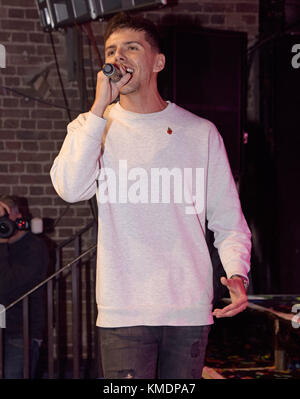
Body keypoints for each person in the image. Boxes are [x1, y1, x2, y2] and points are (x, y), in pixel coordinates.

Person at [50, 12, 251, 379]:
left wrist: (238, 272)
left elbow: (228, 219)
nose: (118, 57)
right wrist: (98, 110)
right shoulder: (92, 127)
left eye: (131, 47)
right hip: (125, 310)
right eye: (111, 50)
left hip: (187, 308)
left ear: (157, 62)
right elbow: (70, 188)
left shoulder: (200, 133)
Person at [0, 195, 49, 378]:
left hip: (21, 333)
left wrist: (2, 243)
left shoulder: (34, 248)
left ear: (17, 215)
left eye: (5, 216)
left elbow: (5, 286)